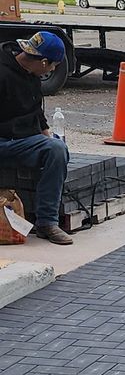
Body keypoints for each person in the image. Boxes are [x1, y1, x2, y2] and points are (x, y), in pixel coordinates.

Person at [0, 30, 72, 244]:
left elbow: (36, 113)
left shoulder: (31, 76)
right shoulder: (2, 73)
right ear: (42, 62)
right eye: (53, 66)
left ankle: (47, 223)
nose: (52, 70)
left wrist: (48, 138)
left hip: (19, 143)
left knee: (57, 149)